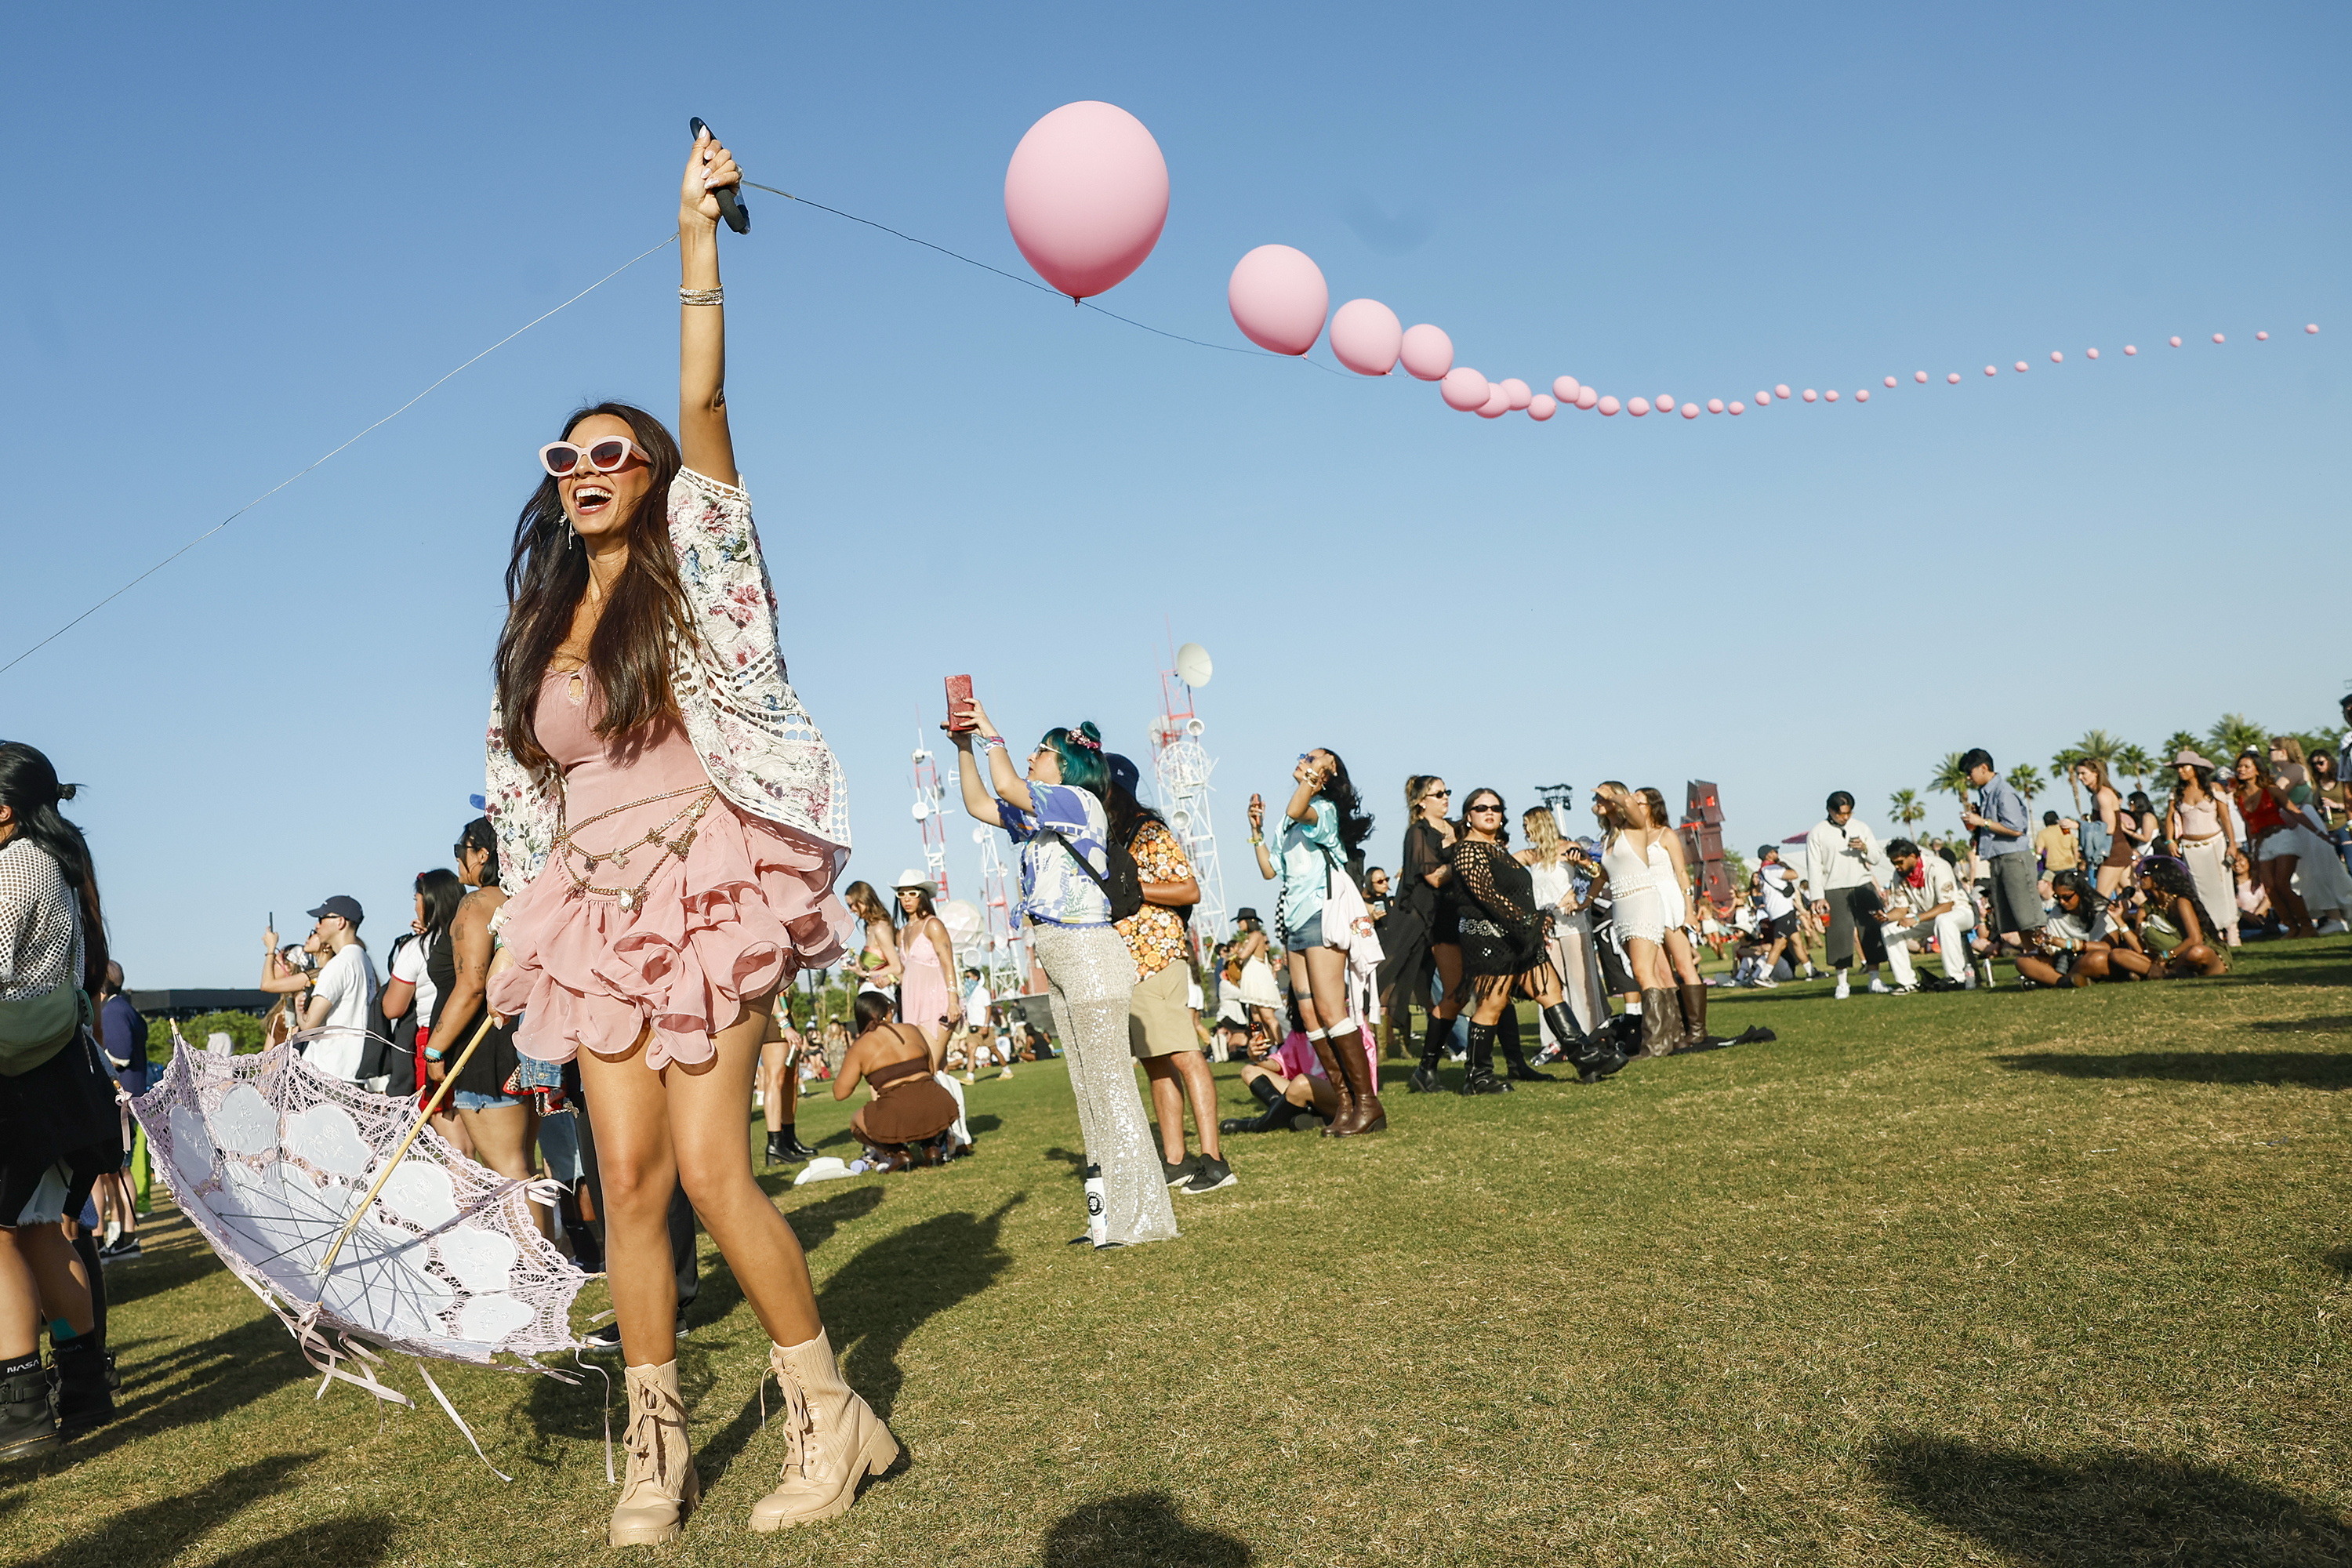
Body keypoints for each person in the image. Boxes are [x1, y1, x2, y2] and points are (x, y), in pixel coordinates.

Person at [475, 130, 889, 1544]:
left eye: (611, 452)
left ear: (649, 473)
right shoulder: (541, 629)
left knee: (717, 1172)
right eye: (567, 456)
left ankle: (826, 1415)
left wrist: (692, 239)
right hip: (594, 915)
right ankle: (658, 1449)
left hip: (713, 887)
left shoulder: (698, 576)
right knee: (628, 1188)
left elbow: (704, 394)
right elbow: (522, 793)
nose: (586, 467)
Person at [949, 695, 1178, 1249]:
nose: (1032, 756)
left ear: (1067, 765)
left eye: (1042, 750)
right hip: (1060, 957)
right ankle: (1106, 1216)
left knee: (1112, 1087)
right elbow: (981, 801)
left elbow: (1005, 785)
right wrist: (963, 748)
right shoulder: (1042, 818)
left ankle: (1142, 1218)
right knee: (1086, 1088)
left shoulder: (1079, 802)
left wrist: (992, 737)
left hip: (1090, 954)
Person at [0, 743, 119, 1457]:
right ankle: (82, 1388)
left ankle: (18, 1409)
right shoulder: (60, 868)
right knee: (44, 1229)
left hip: (12, 1073)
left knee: (5, 1234)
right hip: (52, 1068)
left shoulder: (12, 868)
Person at [1103, 754, 1230, 1195]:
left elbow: (1189, 890)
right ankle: (1175, 1161)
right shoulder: (1116, 836)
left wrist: (1134, 890)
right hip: (1131, 963)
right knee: (1156, 1063)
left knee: (1184, 1054)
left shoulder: (1149, 832)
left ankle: (1214, 1159)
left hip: (1157, 956)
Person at [1247, 750, 1385, 1135]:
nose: (1303, 759)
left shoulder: (1322, 810)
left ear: (1329, 770)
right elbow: (1269, 870)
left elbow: (1296, 810)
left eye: (1313, 756)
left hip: (1321, 915)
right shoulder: (1290, 821)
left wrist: (1317, 776)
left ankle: (1368, 1104)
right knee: (1309, 1016)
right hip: (1294, 924)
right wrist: (1257, 831)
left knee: (1330, 1010)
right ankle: (1344, 1103)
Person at [1448, 789, 1616, 1091]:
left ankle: (1585, 1056)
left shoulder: (1497, 850)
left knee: (1550, 990)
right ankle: (1477, 1076)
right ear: (1469, 815)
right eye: (1482, 807)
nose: (1490, 812)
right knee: (1492, 1004)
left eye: (1496, 808)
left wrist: (1532, 921)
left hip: (1519, 936)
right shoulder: (1468, 850)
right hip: (1489, 937)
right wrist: (1531, 919)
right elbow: (1488, 897)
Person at [431, 824, 543, 1233]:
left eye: (459, 849)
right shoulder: (522, 898)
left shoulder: (477, 904)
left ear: (481, 854)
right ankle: (540, 1266)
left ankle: (533, 1274)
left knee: (509, 1170)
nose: (456, 857)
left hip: (485, 1054)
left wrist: (434, 1050)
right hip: (520, 1046)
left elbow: (473, 985)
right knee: (522, 1165)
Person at [1592, 782, 1680, 1055]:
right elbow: (1605, 874)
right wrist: (1584, 900)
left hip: (1642, 901)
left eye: (1602, 796)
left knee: (1643, 973)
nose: (1597, 799)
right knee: (1648, 972)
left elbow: (1631, 807)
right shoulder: (1608, 838)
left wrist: (1611, 793)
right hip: (1622, 906)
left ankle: (1654, 1042)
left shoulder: (1635, 828)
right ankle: (1671, 1034)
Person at [1396, 777, 1469, 1092]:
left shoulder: (1456, 827)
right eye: (1438, 794)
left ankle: (1504, 1063)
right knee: (1455, 993)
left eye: (1447, 792)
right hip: (1437, 920)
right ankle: (1427, 1068)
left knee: (1492, 990)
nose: (1445, 798)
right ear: (1421, 802)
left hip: (1466, 914)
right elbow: (1435, 877)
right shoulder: (1419, 832)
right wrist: (1462, 856)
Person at [833, 992, 960, 1170]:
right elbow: (931, 1070)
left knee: (856, 1122)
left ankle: (899, 1154)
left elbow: (840, 1093)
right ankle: (932, 1148)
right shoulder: (911, 1029)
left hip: (898, 1110)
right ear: (887, 1012)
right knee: (922, 1098)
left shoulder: (860, 1046)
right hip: (938, 1104)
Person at [1521, 807, 1610, 1042]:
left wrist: (1585, 901)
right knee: (1551, 984)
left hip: (1571, 921)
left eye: (1526, 824)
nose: (1524, 830)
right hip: (1545, 925)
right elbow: (1502, 863)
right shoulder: (1532, 855)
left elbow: (1599, 873)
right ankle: (1556, 1039)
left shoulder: (1568, 849)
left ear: (1539, 824)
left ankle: (1591, 1034)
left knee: (1581, 982)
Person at [1803, 793, 1905, 999]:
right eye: (1841, 814)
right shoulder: (1818, 833)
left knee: (1872, 930)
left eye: (1849, 813)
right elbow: (1814, 867)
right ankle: (1842, 983)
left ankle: (1875, 979)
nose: (1845, 818)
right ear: (1830, 811)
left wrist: (1865, 848)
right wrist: (1818, 897)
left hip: (1863, 885)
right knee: (1839, 935)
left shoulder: (1861, 827)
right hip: (1834, 887)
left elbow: (1876, 857)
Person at [276, 896, 379, 1080]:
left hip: (328, 1072)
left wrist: (299, 1006)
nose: (317, 926)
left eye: (322, 919)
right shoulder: (364, 960)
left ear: (340, 922)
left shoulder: (338, 964)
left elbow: (309, 1025)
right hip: (354, 1070)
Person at [1960, 750, 2045, 964]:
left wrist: (1983, 822)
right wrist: (1977, 828)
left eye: (1970, 772)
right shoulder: (1986, 794)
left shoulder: (2004, 792)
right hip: (1998, 859)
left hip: (2014, 857)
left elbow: (2016, 828)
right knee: (2016, 917)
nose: (1968, 778)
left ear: (1984, 768)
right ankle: (2032, 960)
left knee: (2029, 916)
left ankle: (2045, 959)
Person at [2228, 751, 2314, 939]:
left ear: (2257, 770)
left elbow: (2293, 810)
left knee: (2282, 884)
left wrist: (2319, 832)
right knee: (2269, 887)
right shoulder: (2239, 795)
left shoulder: (2271, 789)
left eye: (2246, 766)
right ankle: (2292, 927)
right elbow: (2247, 825)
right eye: (2239, 766)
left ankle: (2307, 925)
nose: (2241, 770)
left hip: (2282, 837)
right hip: (2262, 842)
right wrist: (2253, 851)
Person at [2165, 751, 2241, 949]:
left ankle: (2232, 929)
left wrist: (2232, 844)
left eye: (2185, 767)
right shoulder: (2177, 792)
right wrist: (2169, 840)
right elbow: (2170, 817)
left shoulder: (2213, 789)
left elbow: (2225, 818)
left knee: (2221, 886)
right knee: (2199, 889)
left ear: (2195, 768)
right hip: (2190, 845)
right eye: (2179, 768)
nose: (2181, 771)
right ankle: (2212, 930)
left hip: (2214, 842)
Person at [1878, 839, 1977, 988]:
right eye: (1894, 863)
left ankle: (1956, 978)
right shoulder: (1899, 875)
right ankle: (1907, 983)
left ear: (1913, 856)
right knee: (1889, 929)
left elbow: (1947, 906)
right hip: (1930, 917)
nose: (1897, 867)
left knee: (1944, 920)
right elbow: (1901, 909)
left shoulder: (1938, 866)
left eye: (1900, 862)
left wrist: (1917, 918)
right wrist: (1886, 916)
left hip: (1961, 912)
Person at [2120, 858, 2230, 977]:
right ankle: (2169, 973)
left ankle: (2160, 972)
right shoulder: (2145, 908)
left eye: (2145, 874)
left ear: (2160, 877)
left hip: (2192, 953)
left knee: (2196, 952)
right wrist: (2118, 920)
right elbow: (2140, 948)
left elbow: (2195, 940)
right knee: (2118, 954)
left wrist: (2167, 955)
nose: (2139, 878)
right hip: (2165, 957)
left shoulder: (2181, 902)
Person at [2012, 870, 2118, 987]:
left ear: (2080, 892)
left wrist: (2070, 944)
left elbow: (2110, 946)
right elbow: (2052, 951)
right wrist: (2044, 944)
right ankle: (2067, 982)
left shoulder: (2099, 909)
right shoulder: (2057, 912)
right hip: (2065, 960)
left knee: (2097, 958)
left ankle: (2056, 981)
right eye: (2058, 897)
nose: (2062, 902)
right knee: (2022, 961)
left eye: (2067, 897)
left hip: (2090, 959)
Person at [890, 873, 961, 1048]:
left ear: (922, 895)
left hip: (937, 1001)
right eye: (902, 894)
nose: (906, 899)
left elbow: (947, 964)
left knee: (931, 1064)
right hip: (912, 1002)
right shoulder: (902, 933)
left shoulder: (933, 925)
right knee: (930, 1064)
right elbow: (906, 972)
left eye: (912, 893)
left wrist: (953, 1001)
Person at [759, 1013, 817, 1166]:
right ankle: (775, 1142)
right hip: (774, 1019)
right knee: (775, 1078)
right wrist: (783, 1023)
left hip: (786, 1016)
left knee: (791, 1078)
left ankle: (789, 1139)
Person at [1751, 845, 1811, 986]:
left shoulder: (1763, 871)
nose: (1776, 853)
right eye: (1773, 851)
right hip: (1781, 910)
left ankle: (1811, 971)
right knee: (1780, 943)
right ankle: (1764, 975)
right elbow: (1794, 874)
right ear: (1767, 855)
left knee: (1797, 941)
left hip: (1780, 910)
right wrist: (1784, 865)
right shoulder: (1771, 869)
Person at [843, 882, 903, 999]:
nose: (851, 910)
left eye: (852, 905)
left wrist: (866, 974)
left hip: (881, 995)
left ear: (862, 901)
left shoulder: (880, 928)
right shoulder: (870, 927)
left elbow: (896, 967)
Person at [2035, 810, 2083, 880]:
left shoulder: (2043, 833)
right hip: (2069, 865)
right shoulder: (2066, 830)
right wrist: (2076, 862)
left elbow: (2039, 851)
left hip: (2053, 867)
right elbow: (2075, 848)